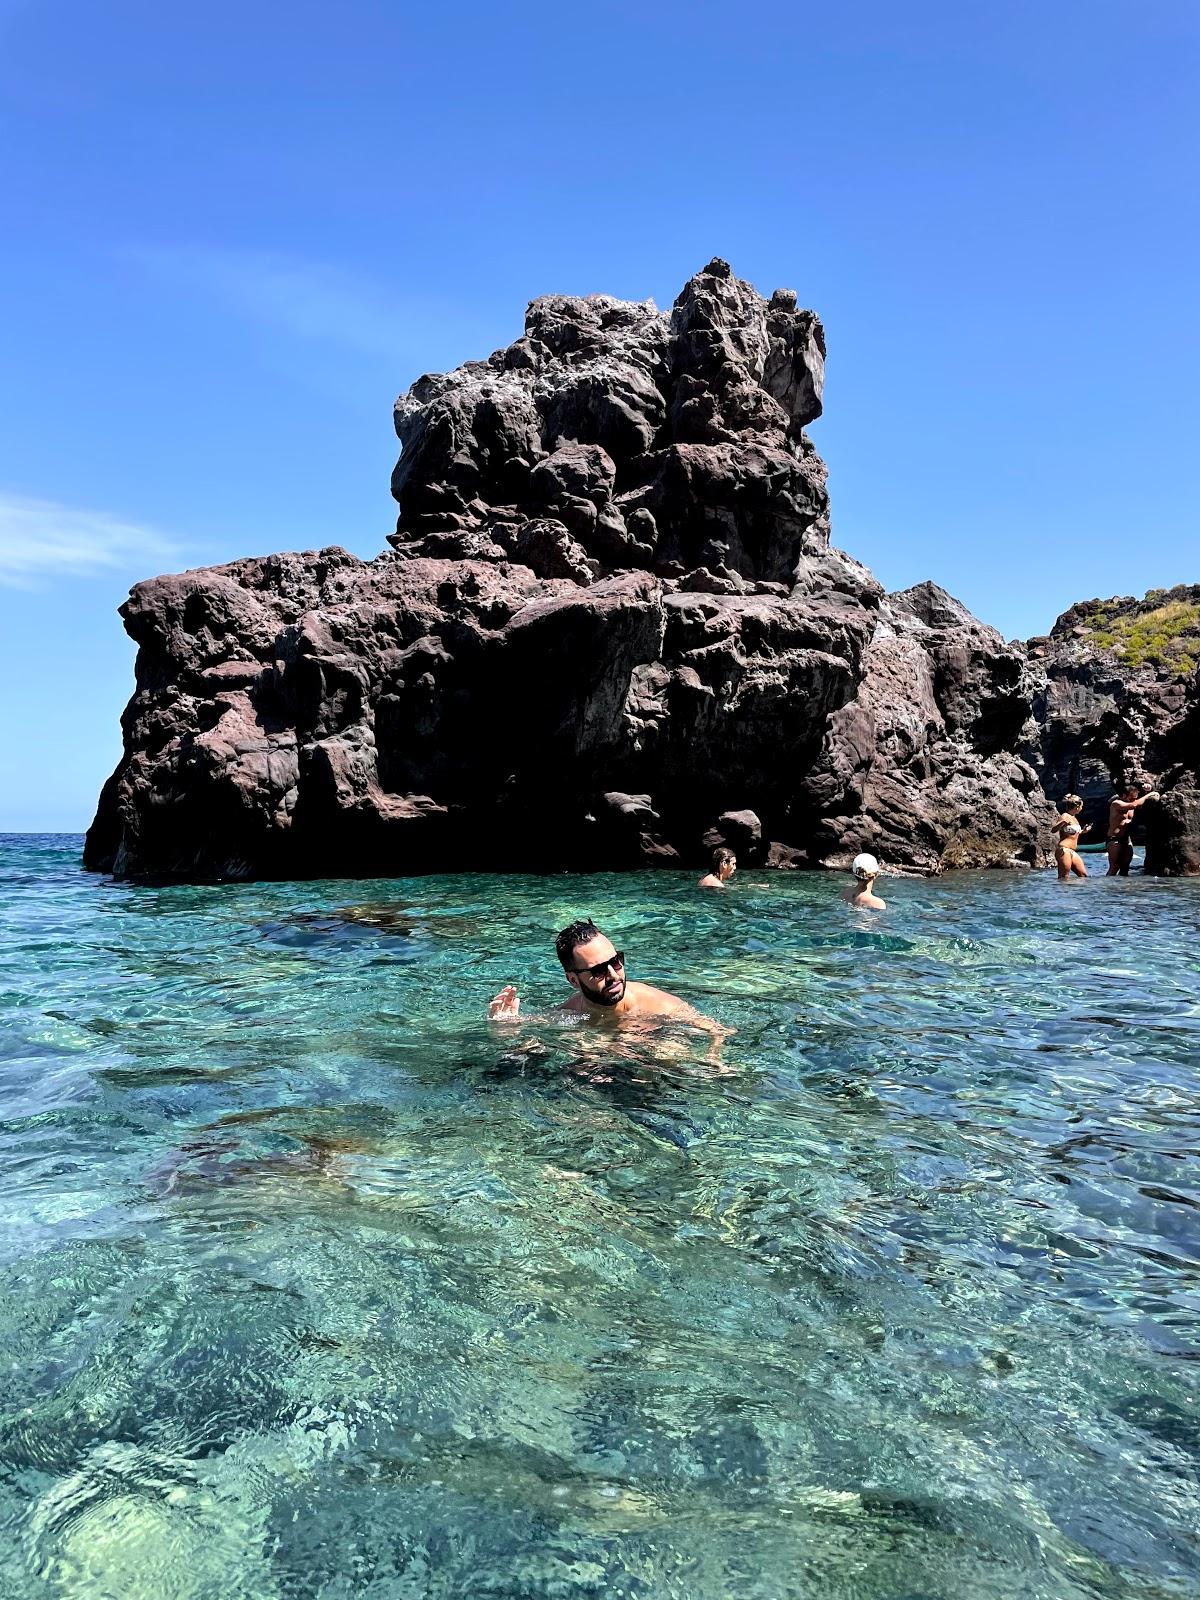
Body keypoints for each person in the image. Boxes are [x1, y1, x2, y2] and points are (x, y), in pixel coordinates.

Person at [487, 918, 729, 1060]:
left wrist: (713, 1057)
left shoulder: (658, 1004)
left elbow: (717, 1030)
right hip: (610, 1074)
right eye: (599, 970)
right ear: (573, 980)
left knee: (667, 1051)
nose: (614, 975)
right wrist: (504, 1028)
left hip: (657, 1072)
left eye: (616, 961)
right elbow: (533, 1030)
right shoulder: (570, 1012)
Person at [1105, 780, 1160, 877]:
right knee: (1114, 867)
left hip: (1126, 839)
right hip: (1114, 839)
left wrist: (1149, 790)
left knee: (1125, 867)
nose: (1133, 800)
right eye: (1131, 798)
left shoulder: (1133, 802)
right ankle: (1111, 888)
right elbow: (1134, 805)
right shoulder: (1116, 803)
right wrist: (1150, 794)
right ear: (1123, 795)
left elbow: (1143, 804)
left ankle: (1124, 889)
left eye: (1134, 798)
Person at [1053, 794, 1090, 880]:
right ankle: (1063, 893)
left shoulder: (1074, 818)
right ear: (1077, 806)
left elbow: (1072, 834)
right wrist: (1062, 823)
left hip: (1072, 851)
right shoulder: (1065, 816)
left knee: (1083, 876)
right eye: (1082, 806)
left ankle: (1075, 893)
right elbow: (1053, 830)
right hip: (1064, 850)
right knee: (1063, 877)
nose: (1082, 808)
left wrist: (1083, 831)